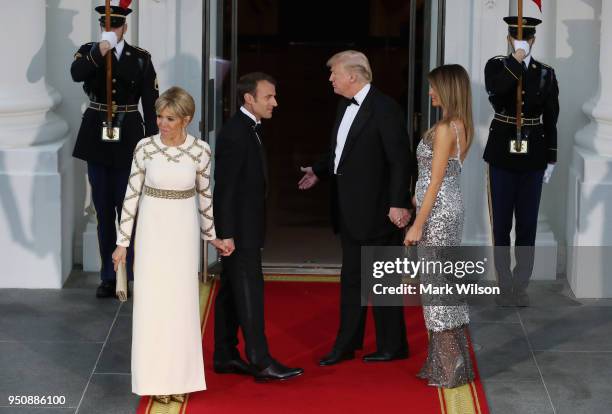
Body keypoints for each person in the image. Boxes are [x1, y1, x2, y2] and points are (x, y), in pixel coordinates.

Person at [111, 87, 227, 403]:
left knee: (181, 306)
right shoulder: (144, 148)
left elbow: (205, 197)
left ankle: (179, 379)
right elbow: (131, 195)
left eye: (170, 118)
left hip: (182, 233)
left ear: (186, 119)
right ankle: (154, 382)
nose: (162, 123)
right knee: (151, 307)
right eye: (160, 116)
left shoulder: (200, 151)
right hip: (150, 232)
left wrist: (211, 235)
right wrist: (123, 242)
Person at [299, 50, 412, 366]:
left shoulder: (385, 108)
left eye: (334, 72)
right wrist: (319, 171)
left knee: (383, 279)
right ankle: (347, 344)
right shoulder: (342, 106)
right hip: (349, 209)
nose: (330, 78)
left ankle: (393, 345)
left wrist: (397, 203)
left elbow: (400, 159)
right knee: (352, 279)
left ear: (353, 75)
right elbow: (340, 152)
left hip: (379, 209)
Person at [213, 72, 304, 382]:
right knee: (250, 291)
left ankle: (224, 355)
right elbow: (224, 189)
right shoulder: (235, 134)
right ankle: (260, 360)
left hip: (244, 227)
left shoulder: (249, 129)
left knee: (229, 290)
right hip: (238, 231)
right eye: (269, 97)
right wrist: (225, 234)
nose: (275, 102)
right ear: (248, 99)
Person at [71, 0, 158, 298]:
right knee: (104, 209)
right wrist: (101, 51)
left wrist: (153, 143)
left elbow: (150, 101)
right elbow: (76, 73)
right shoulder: (89, 51)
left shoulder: (140, 58)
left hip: (129, 137)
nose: (111, 30)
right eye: (106, 26)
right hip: (97, 136)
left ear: (125, 26)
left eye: (116, 26)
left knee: (128, 209)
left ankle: (128, 272)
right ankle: (109, 274)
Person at [404, 64, 476, 388]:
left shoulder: (447, 128)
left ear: (447, 89)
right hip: (448, 208)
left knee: (436, 290)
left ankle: (450, 367)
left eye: (434, 87)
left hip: (438, 214)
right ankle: (445, 364)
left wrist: (418, 223)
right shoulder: (461, 125)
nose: (430, 92)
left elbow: (434, 181)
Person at [484, 16, 559, 306]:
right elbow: (498, 92)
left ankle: (521, 284)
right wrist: (515, 59)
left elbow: (551, 117)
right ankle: (503, 282)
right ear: (508, 40)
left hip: (534, 155)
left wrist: (551, 157)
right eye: (517, 40)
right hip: (502, 153)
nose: (522, 44)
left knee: (527, 223)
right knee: (501, 223)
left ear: (533, 41)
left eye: (526, 40)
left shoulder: (545, 73)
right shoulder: (497, 66)